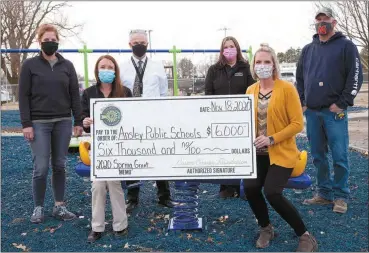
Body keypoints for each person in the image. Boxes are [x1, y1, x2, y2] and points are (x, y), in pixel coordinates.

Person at [244, 43, 318, 252]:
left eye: (267, 61)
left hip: (281, 152)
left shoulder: (286, 89)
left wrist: (272, 139)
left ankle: (304, 235)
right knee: (249, 188)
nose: (262, 65)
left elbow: (297, 124)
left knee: (272, 192)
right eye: (258, 62)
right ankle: (266, 227)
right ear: (253, 66)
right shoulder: (251, 90)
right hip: (257, 154)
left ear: (274, 65)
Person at [296, 7, 363, 213]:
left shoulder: (346, 46)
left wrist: (343, 102)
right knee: (318, 155)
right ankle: (323, 193)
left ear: (334, 22)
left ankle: (341, 195)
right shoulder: (308, 49)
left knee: (339, 154)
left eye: (325, 19)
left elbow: (355, 76)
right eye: (318, 20)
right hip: (313, 112)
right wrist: (303, 101)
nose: (321, 23)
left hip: (335, 112)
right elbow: (300, 78)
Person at [18, 24, 83, 223]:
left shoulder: (68, 66)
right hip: (39, 122)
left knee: (60, 165)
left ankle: (59, 206)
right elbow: (23, 95)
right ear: (40, 42)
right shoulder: (30, 65)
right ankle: (38, 207)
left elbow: (74, 95)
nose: (49, 43)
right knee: (41, 167)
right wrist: (26, 124)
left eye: (52, 39)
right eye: (45, 40)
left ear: (58, 41)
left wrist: (78, 120)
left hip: (63, 121)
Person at [120, 29, 175, 212]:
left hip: (154, 117)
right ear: (129, 45)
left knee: (158, 155)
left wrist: (163, 115)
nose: (139, 46)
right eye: (136, 42)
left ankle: (164, 195)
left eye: (142, 43)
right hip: (131, 118)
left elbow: (163, 92)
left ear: (147, 45)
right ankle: (132, 197)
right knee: (133, 157)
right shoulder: (122, 68)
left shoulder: (157, 66)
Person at [81, 55, 131, 243]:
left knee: (115, 183)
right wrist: (85, 122)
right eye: (103, 66)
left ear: (115, 70)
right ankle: (97, 227)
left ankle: (121, 224)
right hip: (99, 146)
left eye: (110, 67)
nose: (106, 70)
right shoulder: (88, 93)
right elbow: (83, 120)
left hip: (119, 146)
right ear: (97, 70)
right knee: (98, 185)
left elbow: (132, 118)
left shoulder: (124, 92)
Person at [205, 36, 255, 199]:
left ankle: (245, 187)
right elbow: (208, 94)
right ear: (222, 50)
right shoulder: (214, 70)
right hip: (220, 118)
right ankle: (226, 186)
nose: (229, 49)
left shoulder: (246, 68)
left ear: (237, 48)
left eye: (232, 46)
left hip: (242, 118)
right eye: (226, 47)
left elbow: (252, 91)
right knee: (223, 152)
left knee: (242, 152)